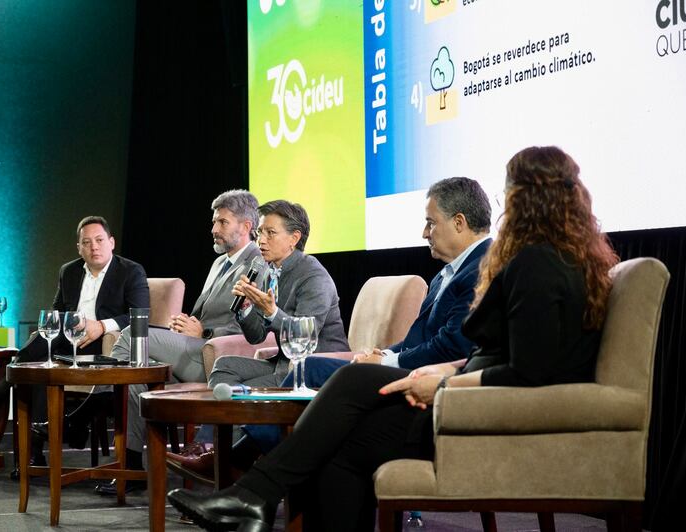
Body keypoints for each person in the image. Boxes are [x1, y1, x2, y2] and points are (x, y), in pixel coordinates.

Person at [168, 145, 620, 531]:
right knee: (338, 441)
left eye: (509, 194)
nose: (504, 205)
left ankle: (252, 495)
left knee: (346, 392)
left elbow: (529, 372)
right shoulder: (560, 259)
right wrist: (444, 370)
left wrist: (442, 382)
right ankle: (252, 496)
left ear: (527, 199)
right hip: (471, 403)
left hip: (476, 416)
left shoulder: (536, 264)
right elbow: (510, 356)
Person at [209, 177, 493, 473]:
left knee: (311, 368)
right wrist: (382, 354)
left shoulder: (481, 269)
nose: (424, 233)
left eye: (430, 223)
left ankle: (242, 462)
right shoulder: (446, 273)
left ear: (459, 222)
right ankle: (242, 462)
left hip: (425, 377)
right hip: (305, 362)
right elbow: (416, 339)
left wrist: (388, 359)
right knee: (227, 367)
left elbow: (453, 345)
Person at [94, 189, 262, 496]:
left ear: (247, 226)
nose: (213, 229)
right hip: (194, 349)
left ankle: (99, 398)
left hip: (217, 359)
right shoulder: (220, 264)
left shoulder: (257, 264)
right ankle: (132, 469)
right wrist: (182, 325)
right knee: (135, 375)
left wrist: (203, 334)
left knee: (134, 334)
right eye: (214, 221)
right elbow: (205, 315)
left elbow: (254, 327)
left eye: (222, 222)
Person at [166, 200, 350, 474]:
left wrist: (272, 311)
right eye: (260, 232)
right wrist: (244, 309)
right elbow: (255, 337)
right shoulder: (270, 271)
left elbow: (305, 332)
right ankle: (218, 449)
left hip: (310, 366)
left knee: (244, 391)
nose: (260, 240)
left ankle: (221, 456)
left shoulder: (313, 275)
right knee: (226, 365)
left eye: (270, 233)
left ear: (294, 238)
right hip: (282, 361)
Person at [0, 216, 149, 464]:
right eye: (86, 242)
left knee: (40, 357)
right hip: (67, 340)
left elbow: (140, 314)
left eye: (99, 240)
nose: (94, 247)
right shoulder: (69, 271)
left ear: (111, 242)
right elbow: (55, 314)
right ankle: (33, 453)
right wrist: (65, 326)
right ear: (79, 247)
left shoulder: (130, 271)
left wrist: (101, 326)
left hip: (105, 345)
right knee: (41, 357)